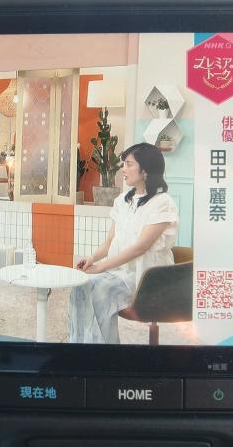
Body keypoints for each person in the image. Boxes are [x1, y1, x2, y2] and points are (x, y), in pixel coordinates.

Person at [68, 142, 179, 344]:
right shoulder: (122, 201)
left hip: (149, 278)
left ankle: (105, 357)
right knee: (80, 286)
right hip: (121, 273)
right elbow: (110, 241)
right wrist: (92, 258)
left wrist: (101, 267)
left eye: (129, 164)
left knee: (100, 288)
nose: (123, 169)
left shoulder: (162, 203)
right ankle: (79, 349)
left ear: (145, 170)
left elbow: (140, 248)